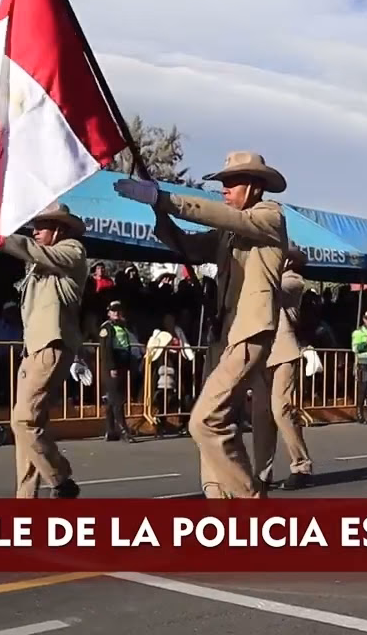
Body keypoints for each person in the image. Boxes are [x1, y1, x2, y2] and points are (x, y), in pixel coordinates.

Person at [115, 152, 288, 499]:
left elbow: (221, 216)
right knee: (215, 421)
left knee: (205, 421)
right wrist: (158, 211)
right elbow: (188, 246)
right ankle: (218, 500)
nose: (223, 189)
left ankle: (251, 503)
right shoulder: (227, 233)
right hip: (224, 333)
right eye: (221, 183)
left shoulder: (270, 216)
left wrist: (166, 198)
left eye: (231, 182)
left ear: (254, 186)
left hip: (250, 331)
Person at [1, 203, 89, 498]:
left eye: (42, 226)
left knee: (23, 420)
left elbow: (34, 250)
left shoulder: (72, 250)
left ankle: (61, 477)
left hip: (52, 344)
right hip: (33, 349)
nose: (35, 231)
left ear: (60, 229)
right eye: (34, 226)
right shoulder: (37, 264)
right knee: (26, 427)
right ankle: (25, 500)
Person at [256, 245, 314, 491]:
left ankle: (302, 465)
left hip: (284, 351)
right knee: (261, 416)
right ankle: (262, 473)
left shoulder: (293, 281)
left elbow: (267, 288)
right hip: (263, 352)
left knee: (281, 410)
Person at [96, 300, 135, 443]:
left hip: (122, 364)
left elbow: (126, 345)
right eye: (114, 311)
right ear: (109, 313)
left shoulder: (123, 326)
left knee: (113, 400)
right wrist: (111, 367)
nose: (117, 313)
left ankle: (111, 431)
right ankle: (124, 431)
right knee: (117, 399)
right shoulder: (106, 328)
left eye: (119, 310)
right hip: (112, 366)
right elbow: (105, 350)